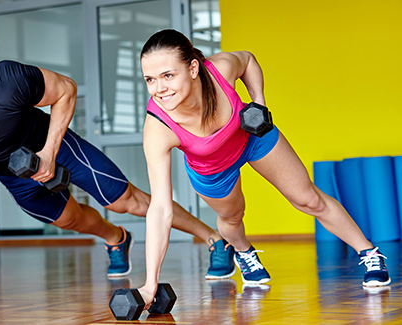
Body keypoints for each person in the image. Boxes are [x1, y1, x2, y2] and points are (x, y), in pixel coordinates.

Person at [0, 40, 233, 303]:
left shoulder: (3, 80)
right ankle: (116, 238)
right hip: (14, 173)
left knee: (125, 201)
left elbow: (66, 89)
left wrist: (49, 152)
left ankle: (214, 238)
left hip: (54, 145)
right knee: (69, 219)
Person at [138, 29, 390, 307]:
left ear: (193, 68)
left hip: (251, 136)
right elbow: (160, 208)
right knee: (233, 218)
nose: (159, 88)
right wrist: (151, 283)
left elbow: (248, 60)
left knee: (308, 198)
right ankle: (244, 253)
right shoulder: (158, 128)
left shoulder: (220, 70)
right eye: (150, 79)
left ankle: (369, 253)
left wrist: (258, 102)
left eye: (168, 76)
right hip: (212, 167)